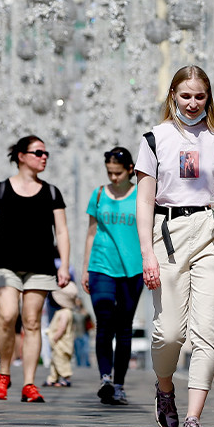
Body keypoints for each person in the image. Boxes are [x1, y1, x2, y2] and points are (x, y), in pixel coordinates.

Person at [136, 65, 214, 427]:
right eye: (186, 96)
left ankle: (194, 419)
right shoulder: (154, 139)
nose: (193, 103)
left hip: (211, 235)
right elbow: (144, 201)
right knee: (168, 334)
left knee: (207, 330)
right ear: (173, 97)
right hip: (167, 231)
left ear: (208, 98)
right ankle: (165, 388)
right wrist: (147, 255)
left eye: (200, 97)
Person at [0, 135, 70, 403]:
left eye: (46, 153)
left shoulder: (51, 192)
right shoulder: (0, 189)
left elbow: (61, 231)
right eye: (38, 152)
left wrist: (64, 265)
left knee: (31, 322)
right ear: (21, 156)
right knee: (7, 314)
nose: (44, 157)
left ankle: (29, 383)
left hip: (40, 265)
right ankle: (4, 372)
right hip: (5, 264)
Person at [82, 146, 144, 405]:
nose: (113, 178)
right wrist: (86, 266)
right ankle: (105, 377)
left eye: (118, 173)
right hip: (101, 266)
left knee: (124, 327)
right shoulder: (98, 195)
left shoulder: (142, 195)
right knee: (104, 320)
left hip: (132, 269)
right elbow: (91, 232)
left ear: (131, 170)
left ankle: (119, 384)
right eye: (109, 173)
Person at [44, 280, 79, 387]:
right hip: (59, 343)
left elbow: (62, 327)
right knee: (54, 361)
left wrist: (55, 336)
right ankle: (53, 378)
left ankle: (66, 377)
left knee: (61, 361)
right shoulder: (65, 311)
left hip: (61, 342)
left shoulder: (65, 313)